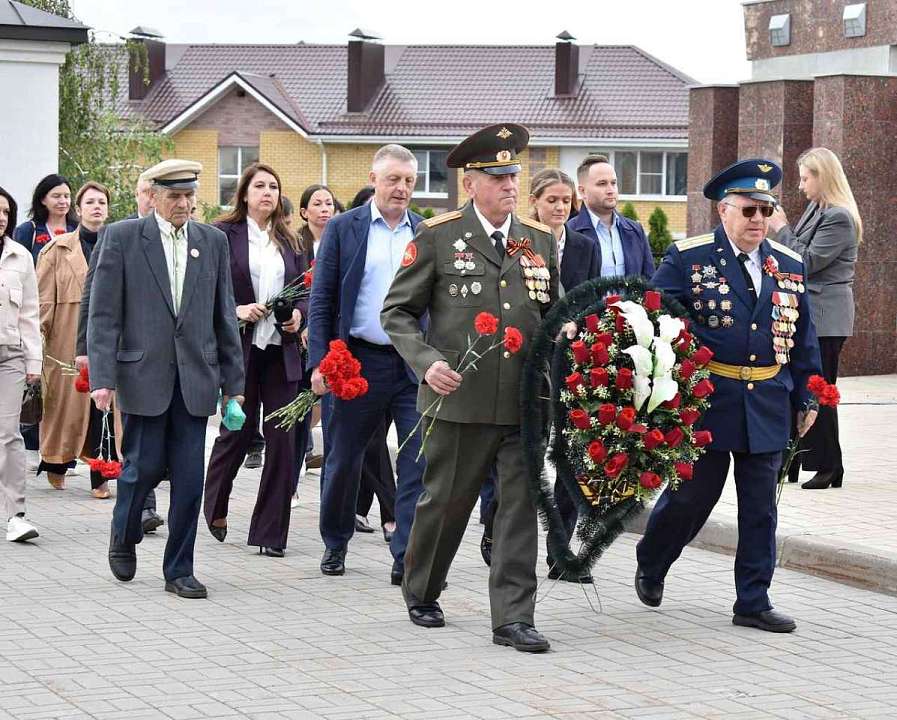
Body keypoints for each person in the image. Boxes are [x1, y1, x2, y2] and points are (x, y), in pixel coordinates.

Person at [382, 123, 558, 652]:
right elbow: (397, 312)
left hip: (524, 404)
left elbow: (554, 311)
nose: (509, 184)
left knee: (519, 507)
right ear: (470, 183)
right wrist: (426, 361)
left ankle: (512, 617)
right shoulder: (438, 236)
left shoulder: (540, 240)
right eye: (497, 175)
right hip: (458, 400)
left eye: (513, 174)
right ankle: (422, 588)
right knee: (447, 503)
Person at [635, 159, 822, 633]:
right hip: (710, 399)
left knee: (761, 506)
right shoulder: (689, 258)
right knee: (692, 498)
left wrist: (809, 396)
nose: (758, 219)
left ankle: (753, 600)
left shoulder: (789, 265)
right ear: (724, 211)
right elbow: (654, 321)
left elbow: (803, 337)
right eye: (748, 210)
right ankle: (654, 558)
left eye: (766, 209)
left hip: (768, 399)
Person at [88, 159, 244, 599]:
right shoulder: (122, 238)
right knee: (142, 469)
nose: (184, 203)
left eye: (189, 195)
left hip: (196, 378)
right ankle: (124, 529)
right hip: (143, 376)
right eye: (174, 196)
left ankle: (179, 570)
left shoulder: (211, 241)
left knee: (190, 480)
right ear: (153, 197)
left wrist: (234, 385)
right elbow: (103, 314)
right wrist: (103, 377)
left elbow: (224, 315)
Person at [307, 144, 425, 585]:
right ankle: (335, 541)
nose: (402, 188)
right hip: (357, 361)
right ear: (374, 179)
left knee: (417, 460)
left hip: (412, 366)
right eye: (393, 179)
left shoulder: (426, 231)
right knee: (344, 458)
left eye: (409, 181)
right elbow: (322, 299)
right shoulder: (345, 228)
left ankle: (405, 553)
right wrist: (322, 361)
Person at [203, 163, 308, 557]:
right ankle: (215, 505)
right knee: (238, 432)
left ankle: (270, 533)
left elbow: (305, 290)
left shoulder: (291, 240)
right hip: (240, 351)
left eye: (274, 187)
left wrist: (300, 314)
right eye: (260, 186)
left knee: (284, 440)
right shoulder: (221, 234)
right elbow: (206, 292)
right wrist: (236, 309)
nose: (267, 192)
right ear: (245, 193)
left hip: (281, 352)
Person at [75, 166, 165, 533]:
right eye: (147, 192)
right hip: (133, 357)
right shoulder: (118, 236)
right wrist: (86, 349)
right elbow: (93, 298)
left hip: (173, 359)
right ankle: (142, 510)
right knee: (138, 439)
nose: (152, 198)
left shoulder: (185, 238)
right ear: (139, 196)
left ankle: (143, 504)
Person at [768, 147, 860, 490]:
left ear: (824, 177)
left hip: (826, 316)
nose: (801, 186)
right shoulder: (815, 209)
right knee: (797, 388)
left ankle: (829, 466)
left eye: (806, 178)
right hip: (805, 314)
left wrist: (781, 228)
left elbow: (805, 263)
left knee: (821, 392)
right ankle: (792, 460)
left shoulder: (839, 217)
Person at [36, 181, 120, 498]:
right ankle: (56, 463)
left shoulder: (120, 246)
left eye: (102, 202)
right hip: (65, 342)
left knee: (105, 411)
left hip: (109, 341)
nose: (97, 207)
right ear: (78, 209)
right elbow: (42, 302)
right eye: (90, 202)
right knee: (64, 413)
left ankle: (100, 476)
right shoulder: (57, 250)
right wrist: (36, 344)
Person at [0, 185, 42, 542]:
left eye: (4, 212)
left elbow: (30, 313)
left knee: (8, 434)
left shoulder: (20, 256)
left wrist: (35, 360)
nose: (0, 218)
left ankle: (16, 515)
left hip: (9, 356)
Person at [567, 155, 655, 278]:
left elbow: (649, 280)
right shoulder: (569, 232)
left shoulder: (635, 230)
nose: (610, 190)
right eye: (602, 184)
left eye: (613, 183)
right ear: (582, 191)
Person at [13, 174, 79, 265]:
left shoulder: (78, 229)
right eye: (56, 196)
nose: (63, 201)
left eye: (66, 196)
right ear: (43, 200)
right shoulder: (27, 231)